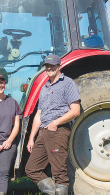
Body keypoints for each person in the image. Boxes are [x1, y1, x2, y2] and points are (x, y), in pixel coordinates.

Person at [25, 54, 81, 195]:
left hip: (57, 130)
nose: (49, 68)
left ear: (59, 66)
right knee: (31, 168)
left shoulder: (68, 83)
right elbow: (39, 114)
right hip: (43, 132)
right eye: (47, 66)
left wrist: (55, 123)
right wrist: (32, 138)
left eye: (52, 66)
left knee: (59, 171)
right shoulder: (44, 88)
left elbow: (75, 111)